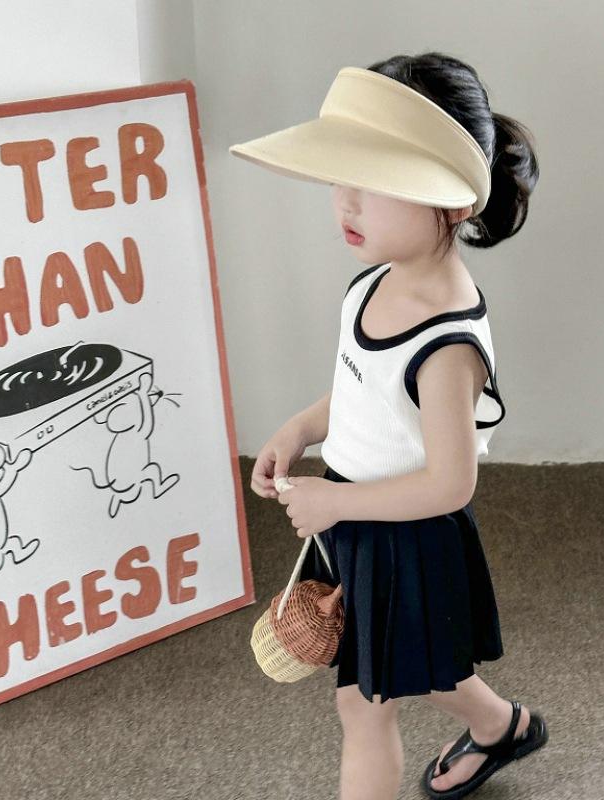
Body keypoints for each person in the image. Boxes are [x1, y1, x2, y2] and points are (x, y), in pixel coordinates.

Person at [234, 51, 548, 800]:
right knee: (417, 667)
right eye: (343, 178)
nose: (346, 203)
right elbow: (365, 391)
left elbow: (450, 483)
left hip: (406, 533)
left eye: (375, 185)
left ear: (454, 203)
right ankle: (503, 726)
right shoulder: (373, 281)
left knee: (366, 703)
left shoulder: (447, 344)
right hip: (354, 517)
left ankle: (501, 726)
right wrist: (302, 428)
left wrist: (335, 502)